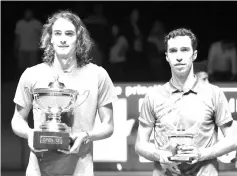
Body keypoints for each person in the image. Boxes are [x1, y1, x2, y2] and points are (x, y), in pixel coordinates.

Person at [11, 10, 117, 176]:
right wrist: (30, 133)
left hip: (80, 169)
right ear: (50, 38)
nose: (62, 39)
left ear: (79, 39)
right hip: (38, 169)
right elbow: (17, 119)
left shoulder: (98, 75)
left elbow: (108, 125)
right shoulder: (31, 75)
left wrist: (86, 136)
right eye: (57, 33)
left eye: (69, 34)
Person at [135, 28, 237, 176]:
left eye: (184, 50)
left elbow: (233, 139)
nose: (179, 56)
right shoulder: (153, 96)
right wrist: (160, 155)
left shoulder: (214, 94)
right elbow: (140, 144)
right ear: (166, 57)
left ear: (194, 54)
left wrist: (202, 153)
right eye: (173, 51)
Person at [14, 8, 42, 76]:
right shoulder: (19, 23)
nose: (28, 14)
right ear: (24, 14)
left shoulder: (37, 23)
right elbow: (17, 36)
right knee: (22, 67)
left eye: (29, 13)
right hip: (22, 49)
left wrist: (41, 47)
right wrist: (15, 47)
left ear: (32, 14)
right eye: (27, 13)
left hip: (33, 49)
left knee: (33, 67)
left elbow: (43, 36)